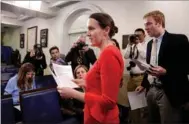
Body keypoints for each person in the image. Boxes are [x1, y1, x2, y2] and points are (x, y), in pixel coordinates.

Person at [57, 12, 124, 124]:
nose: (88, 34)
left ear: (106, 30)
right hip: (96, 115)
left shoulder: (109, 54)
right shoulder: (106, 52)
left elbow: (109, 101)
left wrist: (73, 94)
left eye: (91, 29)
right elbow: (101, 88)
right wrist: (84, 83)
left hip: (102, 118)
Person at [135, 10, 189, 123]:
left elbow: (186, 66)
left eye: (148, 24)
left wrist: (166, 72)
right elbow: (150, 67)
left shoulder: (179, 40)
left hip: (168, 91)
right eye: (145, 25)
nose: (145, 28)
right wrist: (144, 85)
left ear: (159, 22)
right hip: (151, 90)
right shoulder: (150, 44)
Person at [124, 29, 147, 124]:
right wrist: (130, 44)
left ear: (144, 35)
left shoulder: (146, 45)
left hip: (142, 77)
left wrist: (138, 44)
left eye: (139, 35)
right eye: (135, 35)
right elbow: (125, 56)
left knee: (142, 105)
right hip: (132, 78)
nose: (137, 37)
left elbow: (145, 56)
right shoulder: (132, 45)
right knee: (133, 104)